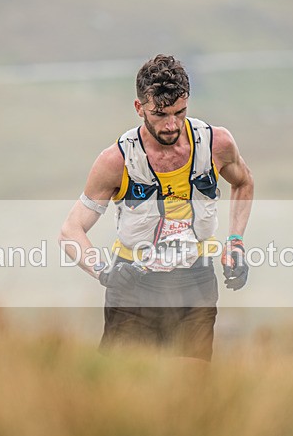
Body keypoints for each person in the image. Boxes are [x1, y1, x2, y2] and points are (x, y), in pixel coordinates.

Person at [59, 54, 254, 363]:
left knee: (192, 393)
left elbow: (244, 183)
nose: (172, 124)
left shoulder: (216, 144)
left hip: (196, 284)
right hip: (132, 290)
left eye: (180, 112)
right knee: (121, 395)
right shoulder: (116, 160)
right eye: (161, 114)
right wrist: (102, 270)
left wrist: (236, 243)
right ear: (140, 108)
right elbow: (71, 230)